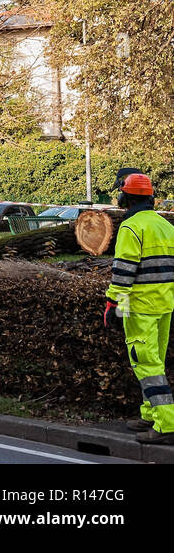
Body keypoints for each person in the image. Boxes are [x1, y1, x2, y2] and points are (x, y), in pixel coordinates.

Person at [104, 172, 174, 444]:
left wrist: (113, 306)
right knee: (155, 360)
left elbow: (123, 272)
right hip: (165, 304)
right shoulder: (166, 226)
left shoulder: (131, 227)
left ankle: (167, 424)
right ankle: (150, 414)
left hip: (140, 306)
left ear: (125, 197)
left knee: (146, 364)